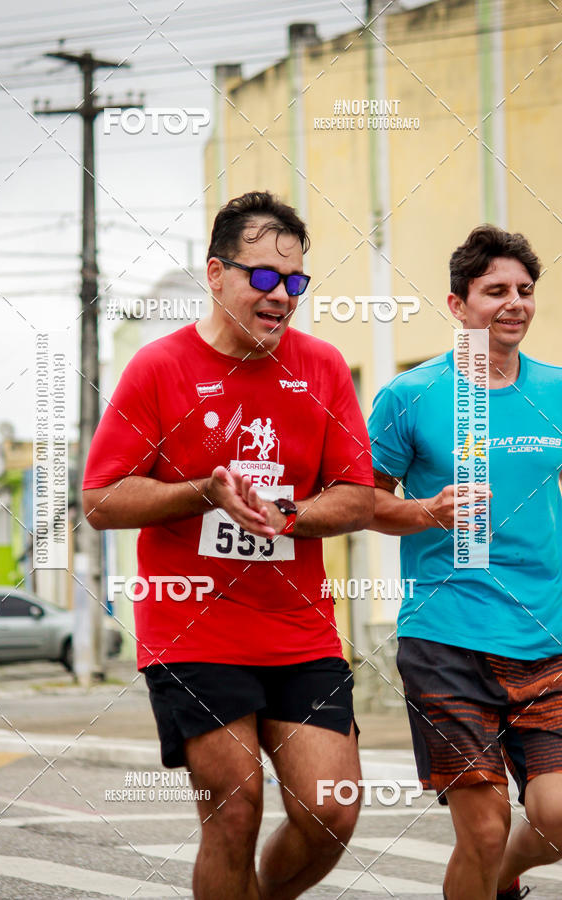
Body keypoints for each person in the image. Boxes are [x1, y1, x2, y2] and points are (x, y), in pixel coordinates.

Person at [83, 190, 375, 900]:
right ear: (215, 274)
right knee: (234, 810)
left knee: (331, 807)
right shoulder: (159, 367)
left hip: (298, 630)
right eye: (264, 278)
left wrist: (291, 515)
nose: (282, 296)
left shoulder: (324, 367)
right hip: (191, 628)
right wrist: (202, 493)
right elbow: (100, 499)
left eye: (296, 282)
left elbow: (358, 495)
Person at [367, 224, 562, 900]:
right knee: (481, 831)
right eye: (495, 291)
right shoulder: (408, 396)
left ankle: (500, 882)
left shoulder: (557, 390)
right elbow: (360, 503)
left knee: (557, 817)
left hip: (546, 637)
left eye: (525, 291)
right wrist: (429, 512)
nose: (514, 303)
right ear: (458, 305)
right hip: (445, 635)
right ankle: (487, 872)